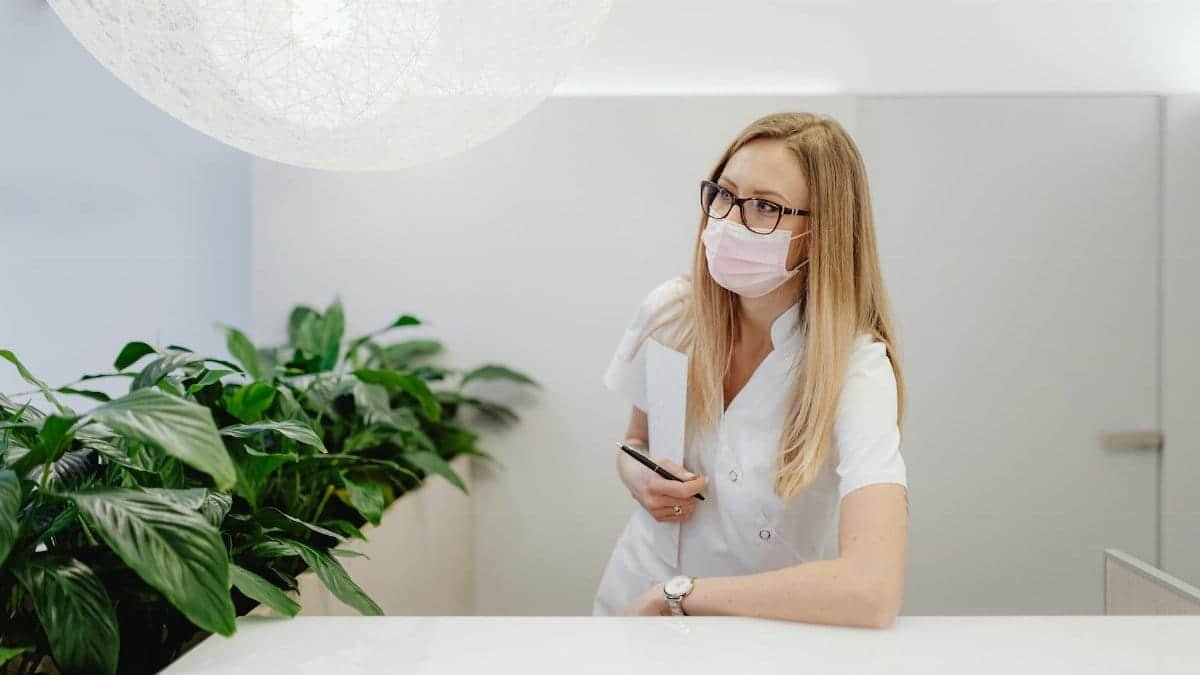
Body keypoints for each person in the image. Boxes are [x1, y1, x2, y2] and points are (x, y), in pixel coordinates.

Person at [591, 112, 909, 627]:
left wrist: (679, 595)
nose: (729, 220)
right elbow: (635, 442)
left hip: (754, 633)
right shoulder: (672, 313)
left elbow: (872, 588)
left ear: (823, 232)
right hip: (630, 608)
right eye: (724, 194)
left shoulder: (856, 369)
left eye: (765, 207)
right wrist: (639, 476)